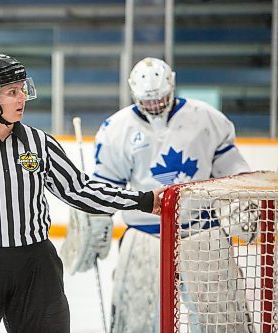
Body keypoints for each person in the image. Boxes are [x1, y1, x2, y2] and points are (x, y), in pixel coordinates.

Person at [0, 54, 164, 333]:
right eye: (12, 92)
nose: (22, 98)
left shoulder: (39, 143)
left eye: (23, 89)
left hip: (34, 265)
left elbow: (78, 189)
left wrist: (142, 200)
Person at [90, 57, 254, 332]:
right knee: (138, 323)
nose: (154, 105)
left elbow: (232, 171)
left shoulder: (206, 118)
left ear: (172, 86)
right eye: (147, 100)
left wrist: (240, 199)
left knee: (220, 322)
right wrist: (96, 222)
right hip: (144, 236)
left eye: (160, 98)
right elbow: (106, 186)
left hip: (202, 233)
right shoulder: (115, 129)